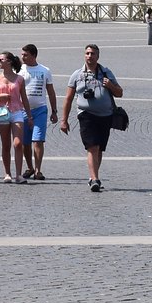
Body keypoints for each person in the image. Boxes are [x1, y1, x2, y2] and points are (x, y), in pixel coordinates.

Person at [58, 43, 122, 192]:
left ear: (98, 56)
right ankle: (95, 179)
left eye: (93, 54)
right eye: (87, 53)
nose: (89, 56)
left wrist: (110, 86)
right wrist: (64, 120)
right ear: (84, 55)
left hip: (105, 115)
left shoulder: (106, 73)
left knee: (99, 149)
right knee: (92, 147)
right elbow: (68, 98)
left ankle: (93, 176)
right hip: (86, 115)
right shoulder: (77, 75)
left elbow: (119, 93)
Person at [0, 51, 28, 183]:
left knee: (18, 143)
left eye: (1, 59)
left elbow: (24, 98)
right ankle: (7, 173)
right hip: (2, 112)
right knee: (6, 144)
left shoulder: (19, 79)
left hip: (17, 111)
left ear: (9, 61)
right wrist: (0, 97)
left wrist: (30, 116)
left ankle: (19, 174)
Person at [18, 43, 58, 180]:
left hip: (40, 110)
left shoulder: (44, 70)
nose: (22, 57)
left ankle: (38, 170)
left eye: (25, 55)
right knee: (25, 142)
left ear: (34, 55)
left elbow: (51, 92)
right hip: (22, 110)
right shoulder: (19, 70)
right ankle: (29, 167)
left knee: (38, 140)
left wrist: (54, 111)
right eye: (22, 54)